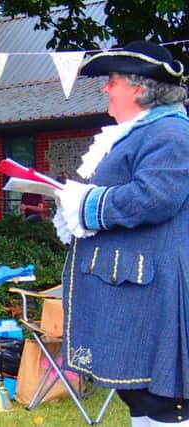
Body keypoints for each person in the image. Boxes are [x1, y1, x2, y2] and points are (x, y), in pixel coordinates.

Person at [52, 40, 189, 426]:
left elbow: (155, 197)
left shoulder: (172, 134)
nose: (105, 89)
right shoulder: (142, 132)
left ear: (139, 88)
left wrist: (87, 204)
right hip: (135, 286)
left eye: (112, 81)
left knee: (163, 400)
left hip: (157, 288)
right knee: (142, 397)